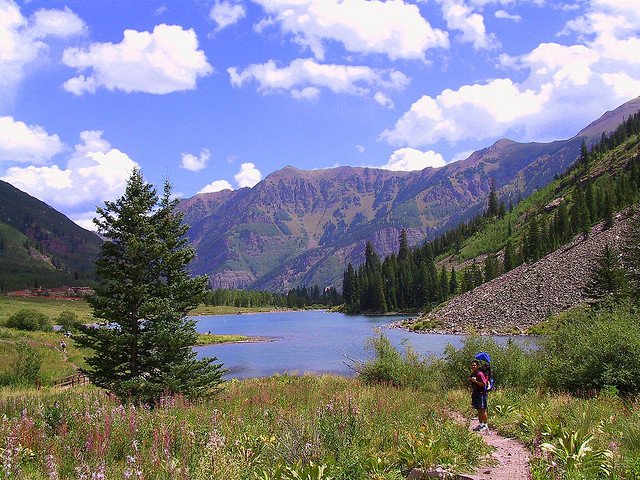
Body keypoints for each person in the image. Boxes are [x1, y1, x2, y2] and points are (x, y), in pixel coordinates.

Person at [468, 359, 488, 431]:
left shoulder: (480, 374)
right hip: (476, 393)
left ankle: (485, 425)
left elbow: (483, 384)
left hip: (481, 393)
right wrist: (470, 379)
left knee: (482, 409)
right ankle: (481, 424)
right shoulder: (473, 373)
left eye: (475, 365)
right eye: (472, 365)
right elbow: (469, 379)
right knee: (478, 409)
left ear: (477, 366)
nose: (473, 366)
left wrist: (475, 381)